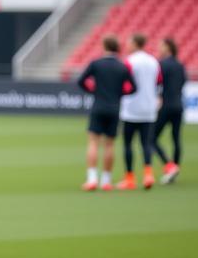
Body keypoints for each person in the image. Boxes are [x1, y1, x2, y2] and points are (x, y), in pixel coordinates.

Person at [77, 35, 135, 191]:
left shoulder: (96, 64)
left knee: (93, 142)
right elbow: (133, 87)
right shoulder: (122, 66)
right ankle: (106, 181)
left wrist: (93, 91)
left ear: (104, 47)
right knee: (109, 144)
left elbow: (81, 81)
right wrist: (119, 94)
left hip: (99, 105)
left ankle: (92, 179)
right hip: (114, 108)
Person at [118, 33, 161, 190]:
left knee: (128, 143)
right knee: (146, 143)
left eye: (129, 42)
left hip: (131, 108)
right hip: (149, 108)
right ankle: (148, 174)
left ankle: (129, 177)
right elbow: (159, 82)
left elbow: (125, 83)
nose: (127, 45)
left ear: (135, 43)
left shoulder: (130, 61)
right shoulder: (153, 61)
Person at [153, 37, 187, 184]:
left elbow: (157, 83)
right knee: (176, 138)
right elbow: (183, 82)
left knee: (151, 138)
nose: (159, 49)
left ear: (168, 47)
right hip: (178, 105)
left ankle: (169, 166)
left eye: (161, 46)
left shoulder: (161, 65)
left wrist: (159, 98)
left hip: (166, 105)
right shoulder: (180, 65)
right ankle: (175, 168)